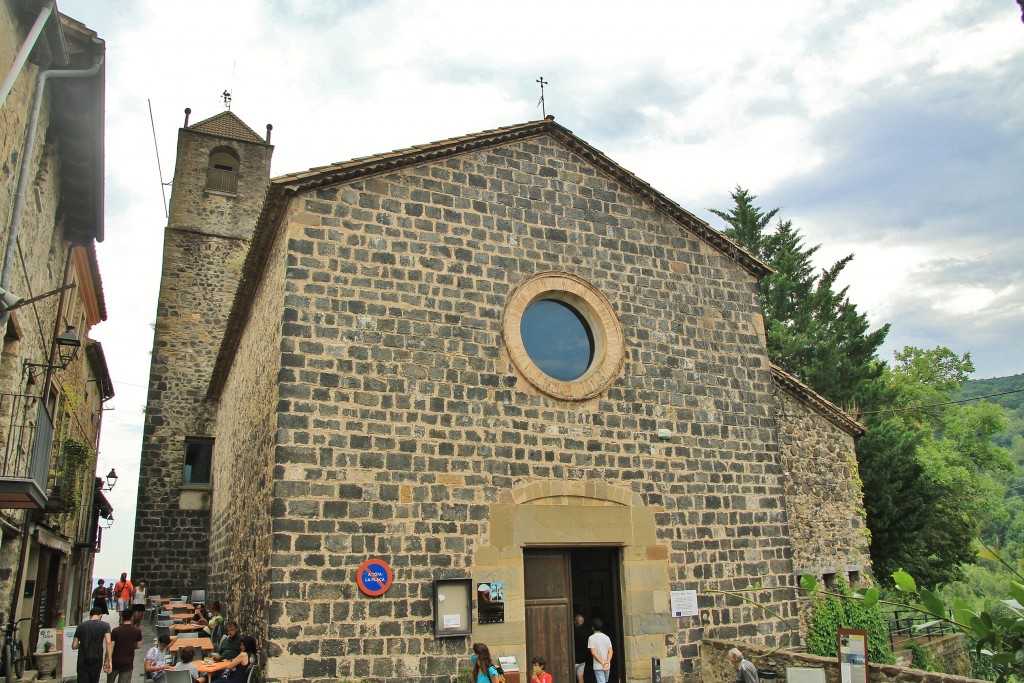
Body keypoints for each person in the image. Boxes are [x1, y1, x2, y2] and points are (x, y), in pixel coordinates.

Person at [72, 606, 113, 683]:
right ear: (101, 615)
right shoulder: (105, 625)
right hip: (97, 659)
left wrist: (82, 644)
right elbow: (108, 642)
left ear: (90, 615)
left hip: (83, 659)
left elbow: (74, 645)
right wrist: (109, 661)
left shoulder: (81, 626)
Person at [107, 609, 142, 683]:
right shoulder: (137, 631)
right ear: (131, 617)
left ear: (122, 617)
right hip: (128, 662)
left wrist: (107, 661)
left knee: (110, 681)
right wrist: (131, 646)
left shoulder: (116, 631)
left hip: (115, 661)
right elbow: (139, 646)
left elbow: (110, 646)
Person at [588, 618, 613, 683]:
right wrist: (607, 662)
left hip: (598, 666)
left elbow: (593, 653)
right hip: (607, 665)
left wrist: (602, 662)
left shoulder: (591, 638)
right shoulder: (606, 637)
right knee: (605, 681)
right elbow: (610, 651)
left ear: (593, 627)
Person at [573, 612, 589, 683]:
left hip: (573, 659)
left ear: (575, 621)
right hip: (582, 659)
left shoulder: (572, 631)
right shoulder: (585, 632)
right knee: (580, 678)